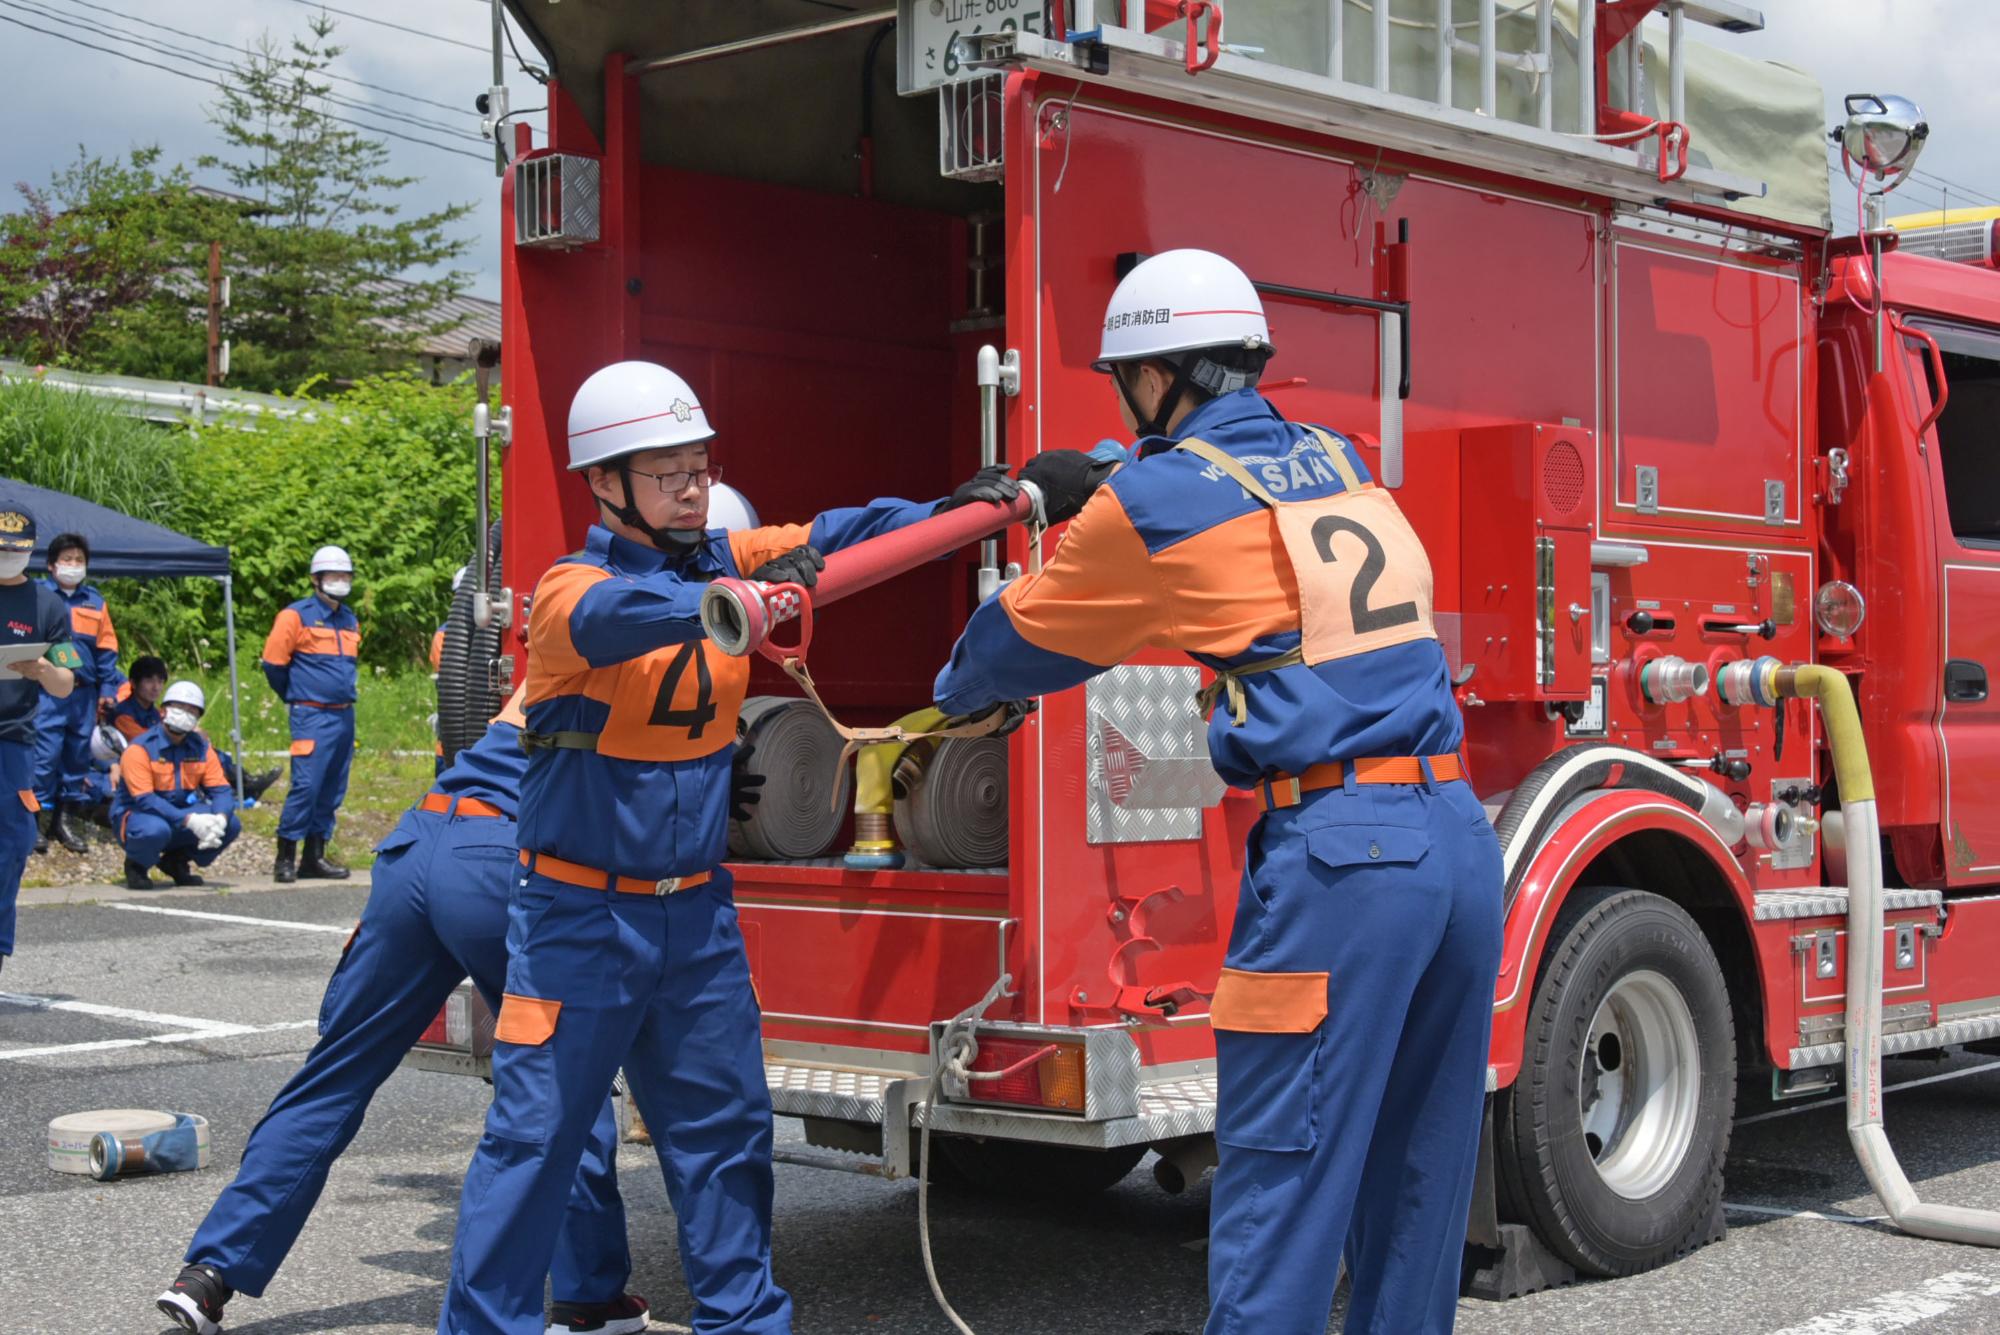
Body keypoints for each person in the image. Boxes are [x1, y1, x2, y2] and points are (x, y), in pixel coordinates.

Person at [931, 250, 1504, 1335]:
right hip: (1452, 840)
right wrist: (1110, 471)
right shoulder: (1333, 454)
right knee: (1414, 1183)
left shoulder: (1148, 503)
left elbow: (1007, 653)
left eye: (1124, 383)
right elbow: (1222, 489)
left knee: (1279, 1192)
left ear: (1158, 378)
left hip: (1342, 857)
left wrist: (961, 678)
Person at [435, 360, 1019, 1335]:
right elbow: (625, 617)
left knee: (725, 1139)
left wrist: (948, 506)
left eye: (700, 466)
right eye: (668, 473)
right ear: (606, 485)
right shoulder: (567, 594)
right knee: (534, 1144)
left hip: (694, 919)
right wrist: (733, 595)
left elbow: (835, 534)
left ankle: (745, 1324)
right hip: (577, 919)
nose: (693, 487)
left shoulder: (721, 552)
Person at [155, 692, 649, 1335]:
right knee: (558, 1080)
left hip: (417, 843)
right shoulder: (655, 654)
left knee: (335, 1074)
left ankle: (208, 1273)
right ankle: (590, 1296)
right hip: (501, 858)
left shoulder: (560, 647)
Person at [0, 502, 76, 975]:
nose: (8, 556)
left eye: (16, 550)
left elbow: (67, 681)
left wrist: (44, 668)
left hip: (12, 743)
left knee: (12, 845)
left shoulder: (48, 604)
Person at [261, 545, 360, 883]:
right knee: (306, 785)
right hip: (311, 715)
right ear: (316, 579)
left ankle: (314, 857)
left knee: (333, 788)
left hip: (344, 716)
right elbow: (273, 664)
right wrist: (296, 695)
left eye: (345, 575)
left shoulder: (349, 618)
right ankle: (285, 856)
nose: (340, 581)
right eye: (333, 575)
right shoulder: (295, 615)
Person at [33, 532, 124, 853]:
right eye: (67, 560)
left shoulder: (95, 602)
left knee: (76, 758)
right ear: (51, 565)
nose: (73, 566)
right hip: (47, 691)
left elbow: (107, 649)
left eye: (79, 561)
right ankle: (34, 823)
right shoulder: (37, 596)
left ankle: (65, 821)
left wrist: (108, 688)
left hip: (84, 694)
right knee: (44, 757)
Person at [111, 681, 241, 890]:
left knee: (232, 824)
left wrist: (220, 817)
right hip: (139, 815)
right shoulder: (140, 749)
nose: (185, 714)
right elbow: (145, 799)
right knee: (155, 830)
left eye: (192, 711)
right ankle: (137, 865)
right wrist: (189, 820)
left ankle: (177, 861)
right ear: (163, 711)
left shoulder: (201, 748)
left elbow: (221, 789)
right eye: (179, 708)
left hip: (179, 812)